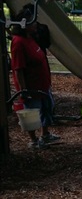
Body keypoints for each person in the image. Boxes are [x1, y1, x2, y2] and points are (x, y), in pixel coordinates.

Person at [11, 8, 60, 149]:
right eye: (32, 22)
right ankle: (33, 141)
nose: (36, 24)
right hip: (32, 88)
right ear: (24, 24)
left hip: (43, 85)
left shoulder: (30, 37)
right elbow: (19, 69)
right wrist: (24, 90)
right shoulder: (18, 42)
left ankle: (45, 135)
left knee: (47, 108)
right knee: (32, 114)